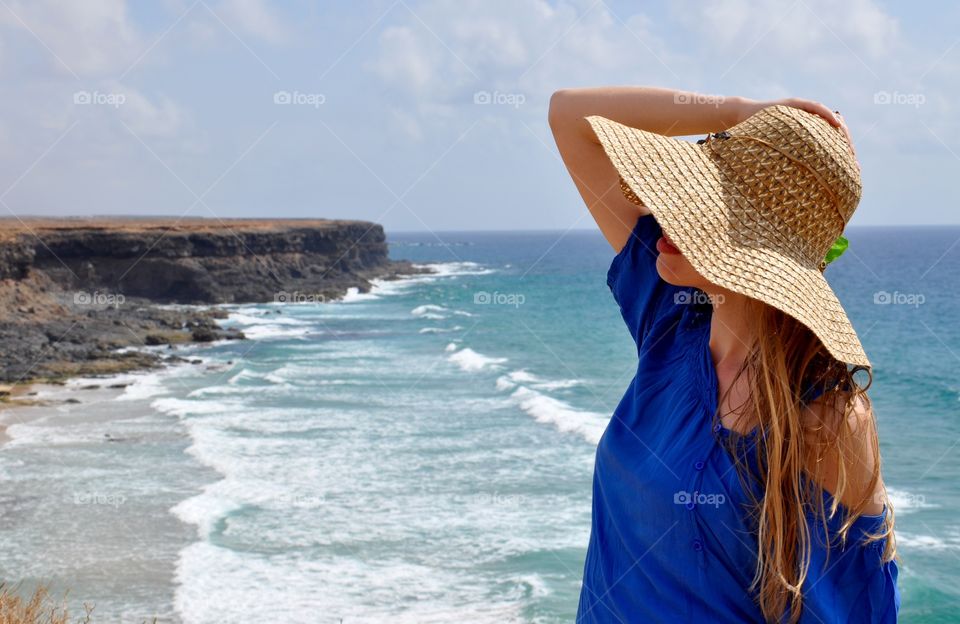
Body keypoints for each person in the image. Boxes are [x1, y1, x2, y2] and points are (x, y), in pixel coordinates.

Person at [548, 87, 899, 623]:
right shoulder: (669, 319)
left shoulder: (826, 417)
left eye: (701, 209)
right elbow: (569, 115)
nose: (666, 211)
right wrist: (739, 113)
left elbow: (857, 610)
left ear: (758, 249)